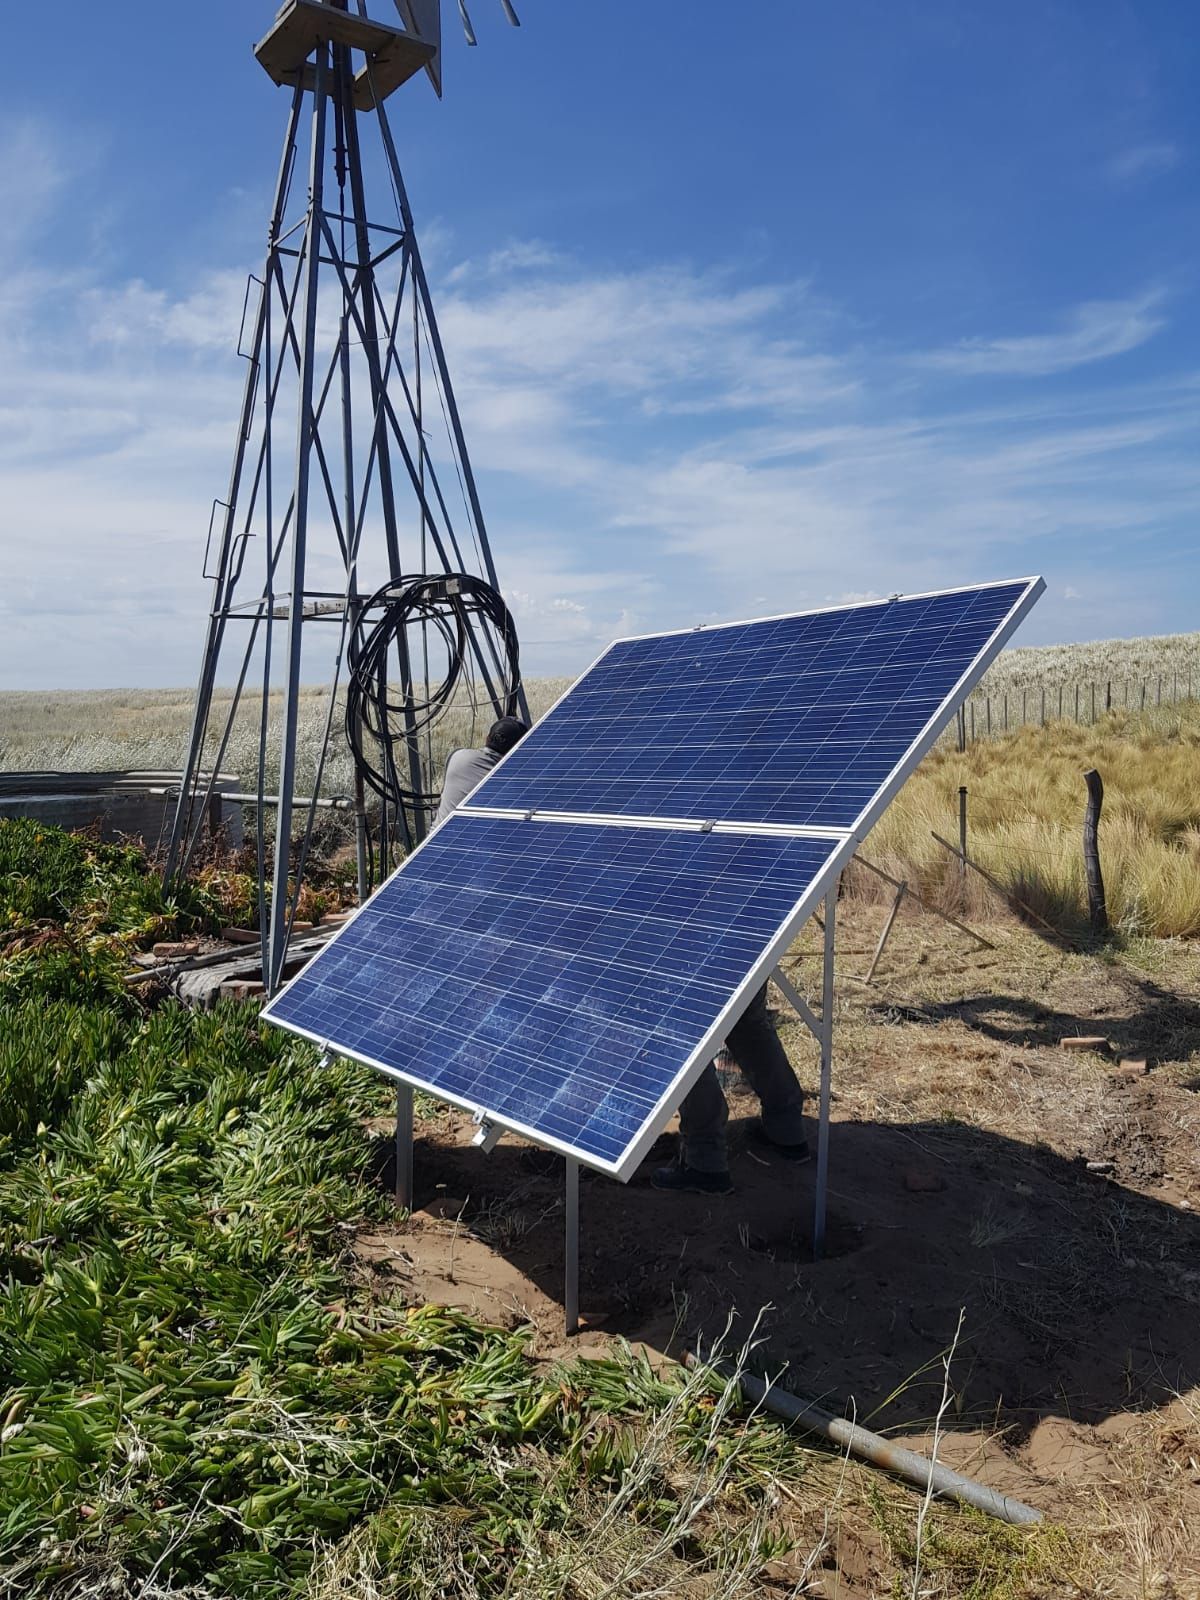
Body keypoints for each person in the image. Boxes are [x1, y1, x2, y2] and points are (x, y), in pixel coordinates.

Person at [652, 984, 809, 1193]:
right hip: (747, 952)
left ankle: (705, 1159)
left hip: (684, 957)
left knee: (681, 1035)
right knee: (749, 1023)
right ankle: (787, 1130)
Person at [435, 715, 528, 823]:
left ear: (487, 738)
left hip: (434, 838)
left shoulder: (456, 756)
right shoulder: (511, 782)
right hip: (474, 839)